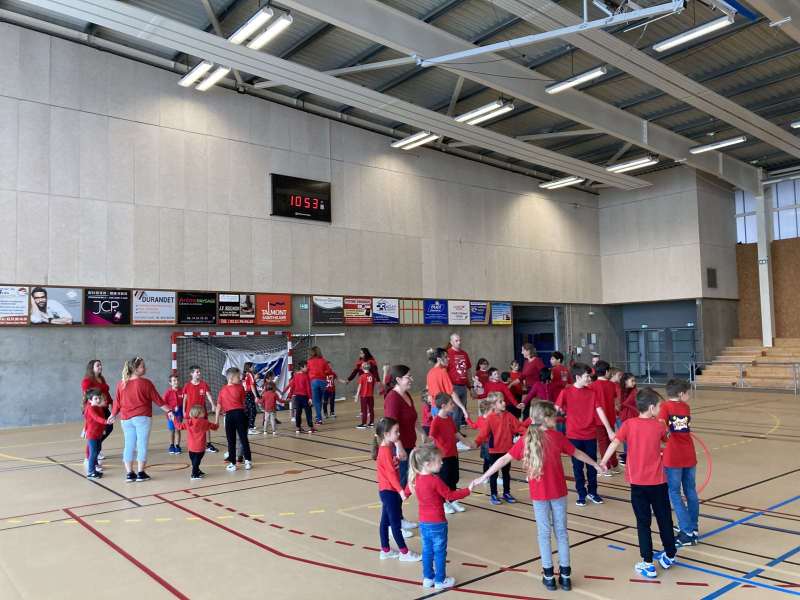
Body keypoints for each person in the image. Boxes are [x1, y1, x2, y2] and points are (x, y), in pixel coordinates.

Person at [474, 401, 605, 592]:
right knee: (561, 533)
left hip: (539, 496)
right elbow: (577, 453)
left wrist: (483, 476)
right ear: (546, 418)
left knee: (544, 534)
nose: (556, 419)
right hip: (558, 493)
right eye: (554, 417)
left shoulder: (526, 439)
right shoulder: (556, 437)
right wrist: (594, 464)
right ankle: (565, 577)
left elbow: (504, 459)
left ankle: (549, 576)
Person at [600, 387, 677, 579]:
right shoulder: (659, 426)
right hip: (658, 483)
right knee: (664, 518)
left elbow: (614, 443)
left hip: (638, 485)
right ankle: (670, 554)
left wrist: (603, 462)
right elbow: (667, 440)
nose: (660, 409)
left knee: (643, 523)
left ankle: (648, 563)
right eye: (658, 406)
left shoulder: (628, 424)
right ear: (651, 408)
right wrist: (667, 429)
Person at [408, 444, 473, 589]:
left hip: (424, 523)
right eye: (438, 460)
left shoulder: (416, 479)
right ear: (427, 464)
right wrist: (468, 490)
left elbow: (407, 491)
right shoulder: (434, 480)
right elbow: (450, 495)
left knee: (427, 551)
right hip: (437, 523)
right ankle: (440, 580)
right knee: (439, 552)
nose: (442, 463)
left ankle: (428, 578)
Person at [108, 357, 173, 482]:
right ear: (135, 369)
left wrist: (113, 414)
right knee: (141, 445)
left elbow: (117, 402)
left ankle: (129, 473)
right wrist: (169, 411)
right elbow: (158, 400)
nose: (145, 368)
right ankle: (141, 473)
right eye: (142, 366)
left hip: (125, 419)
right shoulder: (146, 383)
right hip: (142, 418)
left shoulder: (121, 384)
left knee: (129, 445)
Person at [372, 417, 421, 561]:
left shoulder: (389, 448)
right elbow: (391, 475)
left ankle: (385, 550)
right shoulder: (385, 451)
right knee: (395, 524)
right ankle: (404, 553)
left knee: (385, 521)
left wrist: (402, 455)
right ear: (386, 434)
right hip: (389, 491)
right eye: (396, 432)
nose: (399, 434)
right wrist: (400, 491)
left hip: (388, 491)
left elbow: (395, 466)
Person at [555, 363, 604, 506]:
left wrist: (609, 429)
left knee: (592, 466)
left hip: (590, 435)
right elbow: (555, 408)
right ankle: (581, 493)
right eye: (587, 376)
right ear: (577, 377)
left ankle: (592, 492)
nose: (589, 379)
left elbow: (600, 411)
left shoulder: (592, 393)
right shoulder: (566, 392)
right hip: (573, 436)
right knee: (577, 467)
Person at [659, 379, 699, 547]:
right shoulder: (685, 407)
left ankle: (687, 531)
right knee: (690, 491)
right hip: (688, 454)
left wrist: (664, 437)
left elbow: (661, 429)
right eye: (688, 393)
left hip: (673, 456)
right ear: (681, 394)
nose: (689, 395)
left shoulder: (664, 407)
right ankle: (693, 527)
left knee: (674, 493)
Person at [474, 391, 530, 505]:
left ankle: (506, 493)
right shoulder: (490, 418)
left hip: (507, 450)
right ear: (493, 405)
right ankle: (494, 494)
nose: (504, 403)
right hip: (494, 451)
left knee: (506, 473)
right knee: (494, 474)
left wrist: (530, 434)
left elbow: (518, 427)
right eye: (501, 401)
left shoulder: (508, 415)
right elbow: (483, 434)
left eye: (503, 400)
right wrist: (476, 443)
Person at [383, 364, 421, 534]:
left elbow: (413, 419)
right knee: (397, 487)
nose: (411, 379)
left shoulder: (406, 395)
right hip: (398, 449)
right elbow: (391, 426)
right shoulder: (392, 398)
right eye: (408, 377)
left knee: (406, 483)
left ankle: (398, 518)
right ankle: (393, 524)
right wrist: (399, 447)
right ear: (398, 379)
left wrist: (423, 434)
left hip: (410, 445)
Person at [429, 393, 472, 514]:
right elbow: (431, 438)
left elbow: (456, 434)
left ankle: (453, 500)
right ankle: (443, 502)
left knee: (454, 478)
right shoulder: (436, 421)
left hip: (453, 454)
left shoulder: (449, 419)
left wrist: (469, 443)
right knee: (444, 480)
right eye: (451, 403)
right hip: (443, 457)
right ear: (443, 406)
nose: (453, 405)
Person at [425, 348, 469, 445]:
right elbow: (452, 393)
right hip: (443, 409)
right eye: (445, 357)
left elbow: (428, 392)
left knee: (440, 437)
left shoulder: (429, 373)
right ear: (439, 359)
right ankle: (456, 445)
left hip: (434, 408)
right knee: (447, 436)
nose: (448, 359)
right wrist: (463, 408)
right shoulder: (442, 372)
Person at [216, 367, 253, 471]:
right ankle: (247, 461)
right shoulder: (240, 388)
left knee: (232, 440)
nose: (240, 378)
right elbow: (243, 402)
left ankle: (234, 463)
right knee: (242, 438)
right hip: (238, 414)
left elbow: (219, 406)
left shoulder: (224, 389)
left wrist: (216, 420)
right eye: (238, 377)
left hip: (231, 416)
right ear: (231, 378)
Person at [182, 366, 218, 453]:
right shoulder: (187, 385)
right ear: (192, 374)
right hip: (191, 412)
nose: (199, 373)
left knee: (206, 426)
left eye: (199, 372)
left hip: (202, 412)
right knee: (191, 428)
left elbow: (208, 395)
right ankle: (192, 445)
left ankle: (208, 444)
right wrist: (183, 410)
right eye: (197, 372)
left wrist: (213, 405)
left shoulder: (203, 384)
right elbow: (185, 399)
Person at [81, 359, 113, 458]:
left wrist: (111, 402)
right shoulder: (87, 381)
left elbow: (106, 393)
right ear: (92, 368)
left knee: (108, 428)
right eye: (98, 365)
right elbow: (87, 396)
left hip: (104, 408)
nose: (100, 367)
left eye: (100, 365)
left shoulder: (101, 378)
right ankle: (89, 456)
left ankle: (96, 449)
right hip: (94, 409)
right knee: (94, 434)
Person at [177, 405, 220, 480]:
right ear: (199, 413)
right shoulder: (204, 422)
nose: (204, 413)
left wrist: (174, 419)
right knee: (197, 461)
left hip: (191, 447)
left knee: (194, 460)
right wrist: (217, 416)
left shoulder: (188, 422)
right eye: (203, 412)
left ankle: (197, 470)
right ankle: (194, 474)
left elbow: (179, 426)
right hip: (200, 447)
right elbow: (215, 427)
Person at [593, 361, 620, 477]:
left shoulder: (592, 386)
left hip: (598, 420)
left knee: (603, 443)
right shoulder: (612, 385)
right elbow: (615, 400)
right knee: (612, 442)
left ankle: (606, 467)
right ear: (607, 371)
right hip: (610, 418)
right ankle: (614, 465)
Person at [446, 334, 472, 431]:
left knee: (461, 411)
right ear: (451, 342)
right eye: (456, 340)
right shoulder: (448, 354)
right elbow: (444, 371)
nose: (459, 342)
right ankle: (452, 434)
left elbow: (468, 370)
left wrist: (471, 386)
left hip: (463, 386)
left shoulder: (464, 353)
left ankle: (457, 432)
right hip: (453, 387)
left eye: (460, 340)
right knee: (454, 412)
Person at [284, 361, 315, 434]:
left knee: (298, 412)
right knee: (308, 412)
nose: (307, 368)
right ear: (301, 368)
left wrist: (289, 396)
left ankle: (298, 428)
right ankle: (311, 427)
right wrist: (310, 398)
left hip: (297, 397)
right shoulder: (306, 376)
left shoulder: (295, 376)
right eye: (306, 367)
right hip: (304, 397)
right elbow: (308, 388)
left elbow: (292, 387)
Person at [83, 389, 108, 479]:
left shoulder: (99, 407)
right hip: (92, 434)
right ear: (90, 400)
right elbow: (96, 418)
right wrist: (106, 422)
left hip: (98, 434)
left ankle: (95, 467)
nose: (98, 400)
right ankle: (91, 472)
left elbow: (101, 417)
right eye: (95, 398)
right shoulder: (90, 408)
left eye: (99, 398)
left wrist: (104, 429)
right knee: (93, 453)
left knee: (97, 450)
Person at [307, 346, 332, 425]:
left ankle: (319, 418)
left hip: (314, 381)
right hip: (323, 382)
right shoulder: (323, 360)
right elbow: (329, 371)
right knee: (320, 400)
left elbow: (306, 371)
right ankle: (318, 416)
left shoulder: (309, 361)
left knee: (316, 401)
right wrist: (323, 372)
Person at [617, 373, 638, 465]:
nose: (634, 383)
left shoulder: (634, 391)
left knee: (632, 439)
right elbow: (619, 405)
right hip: (622, 417)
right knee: (625, 438)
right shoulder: (620, 390)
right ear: (625, 381)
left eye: (634, 380)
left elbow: (625, 404)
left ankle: (630, 456)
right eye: (632, 381)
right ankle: (627, 456)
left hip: (632, 417)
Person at [163, 373, 183, 454]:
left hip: (179, 414)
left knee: (178, 429)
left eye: (177, 380)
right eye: (174, 380)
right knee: (172, 430)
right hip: (171, 414)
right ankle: (171, 445)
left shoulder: (182, 391)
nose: (176, 382)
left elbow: (185, 401)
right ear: (170, 383)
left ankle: (177, 445)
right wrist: (170, 410)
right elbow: (163, 403)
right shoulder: (167, 393)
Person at [355, 361, 377, 429]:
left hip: (364, 396)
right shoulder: (372, 376)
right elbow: (373, 385)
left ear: (362, 368)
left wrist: (356, 396)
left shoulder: (362, 376)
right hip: (371, 396)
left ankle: (364, 424)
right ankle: (371, 423)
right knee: (371, 409)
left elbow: (359, 387)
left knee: (364, 410)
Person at [242, 362, 260, 435]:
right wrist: (256, 396)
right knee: (253, 411)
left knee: (247, 411)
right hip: (249, 394)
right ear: (249, 368)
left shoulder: (245, 374)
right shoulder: (250, 374)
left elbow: (247, 384)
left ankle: (247, 426)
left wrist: (254, 379)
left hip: (245, 394)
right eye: (253, 366)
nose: (254, 367)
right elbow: (252, 386)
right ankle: (250, 428)